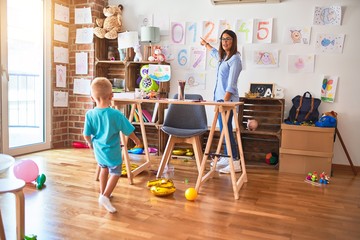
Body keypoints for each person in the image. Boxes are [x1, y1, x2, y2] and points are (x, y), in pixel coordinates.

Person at [83, 77, 141, 213]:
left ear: (92, 98)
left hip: (99, 150)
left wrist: (90, 143)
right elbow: (128, 130)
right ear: (111, 96)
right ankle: (105, 196)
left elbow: (86, 134)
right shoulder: (116, 114)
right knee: (115, 173)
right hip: (112, 151)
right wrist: (136, 140)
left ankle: (103, 193)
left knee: (103, 169)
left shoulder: (90, 114)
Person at [200, 29, 242, 174]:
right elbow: (212, 52)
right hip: (219, 100)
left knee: (226, 129)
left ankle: (235, 160)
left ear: (234, 41)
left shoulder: (235, 59)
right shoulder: (223, 57)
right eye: (223, 39)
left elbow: (231, 85)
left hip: (227, 100)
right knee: (224, 129)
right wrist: (205, 44)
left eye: (228, 39)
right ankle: (226, 156)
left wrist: (223, 103)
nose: (225, 42)